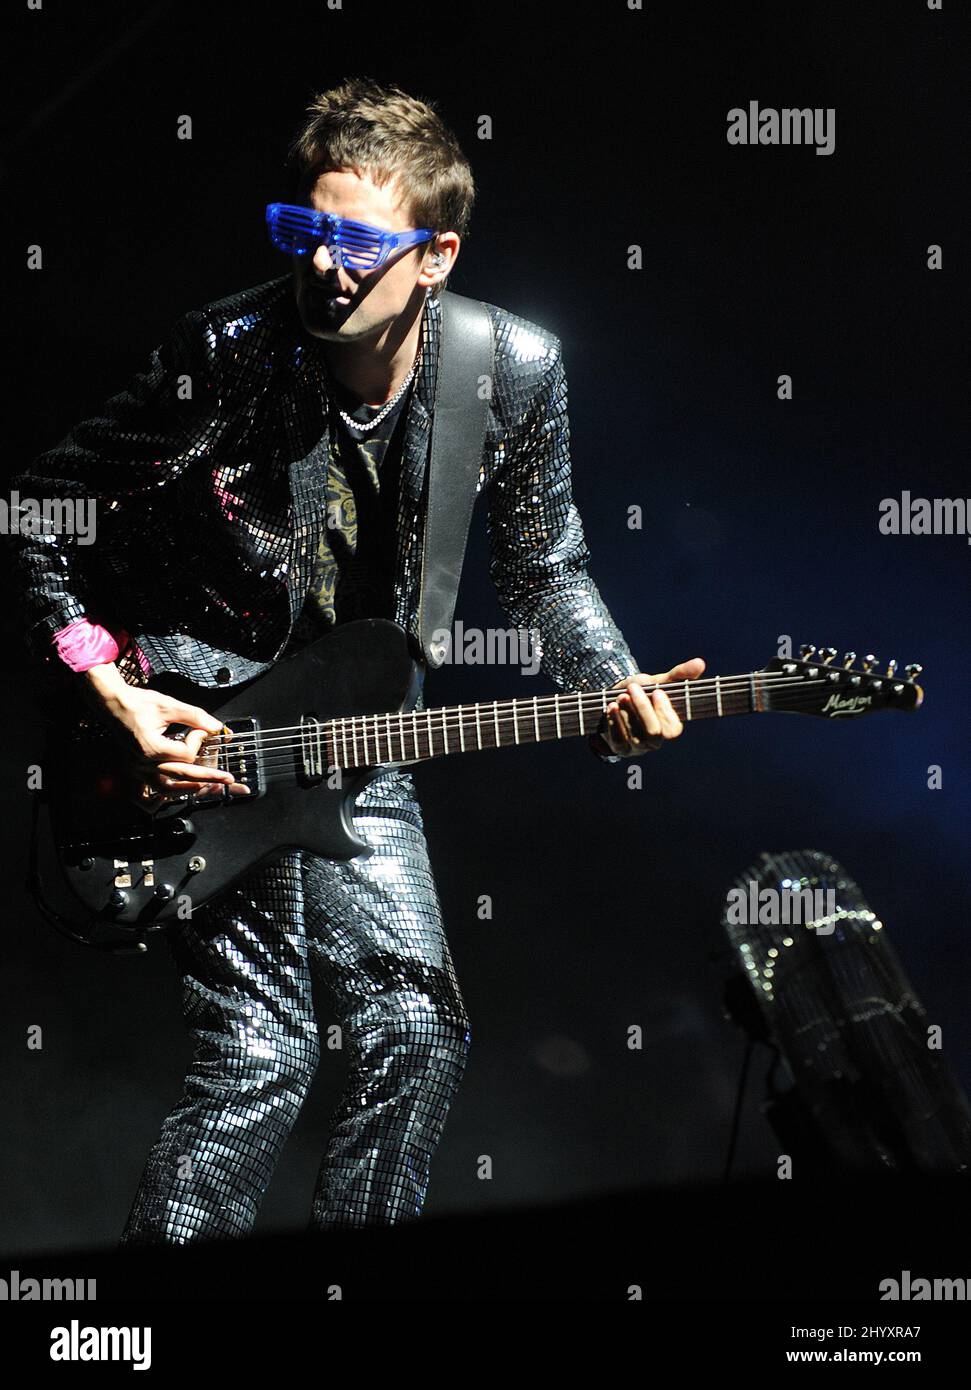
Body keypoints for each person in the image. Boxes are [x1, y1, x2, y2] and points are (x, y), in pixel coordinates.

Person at [9, 77, 705, 1241]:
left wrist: (611, 683)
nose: (325, 268)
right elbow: (34, 512)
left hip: (354, 733)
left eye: (360, 245)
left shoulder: (511, 369)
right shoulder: (225, 353)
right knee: (261, 1054)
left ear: (435, 254)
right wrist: (110, 682)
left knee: (416, 1034)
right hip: (197, 721)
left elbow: (545, 570)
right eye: (304, 233)